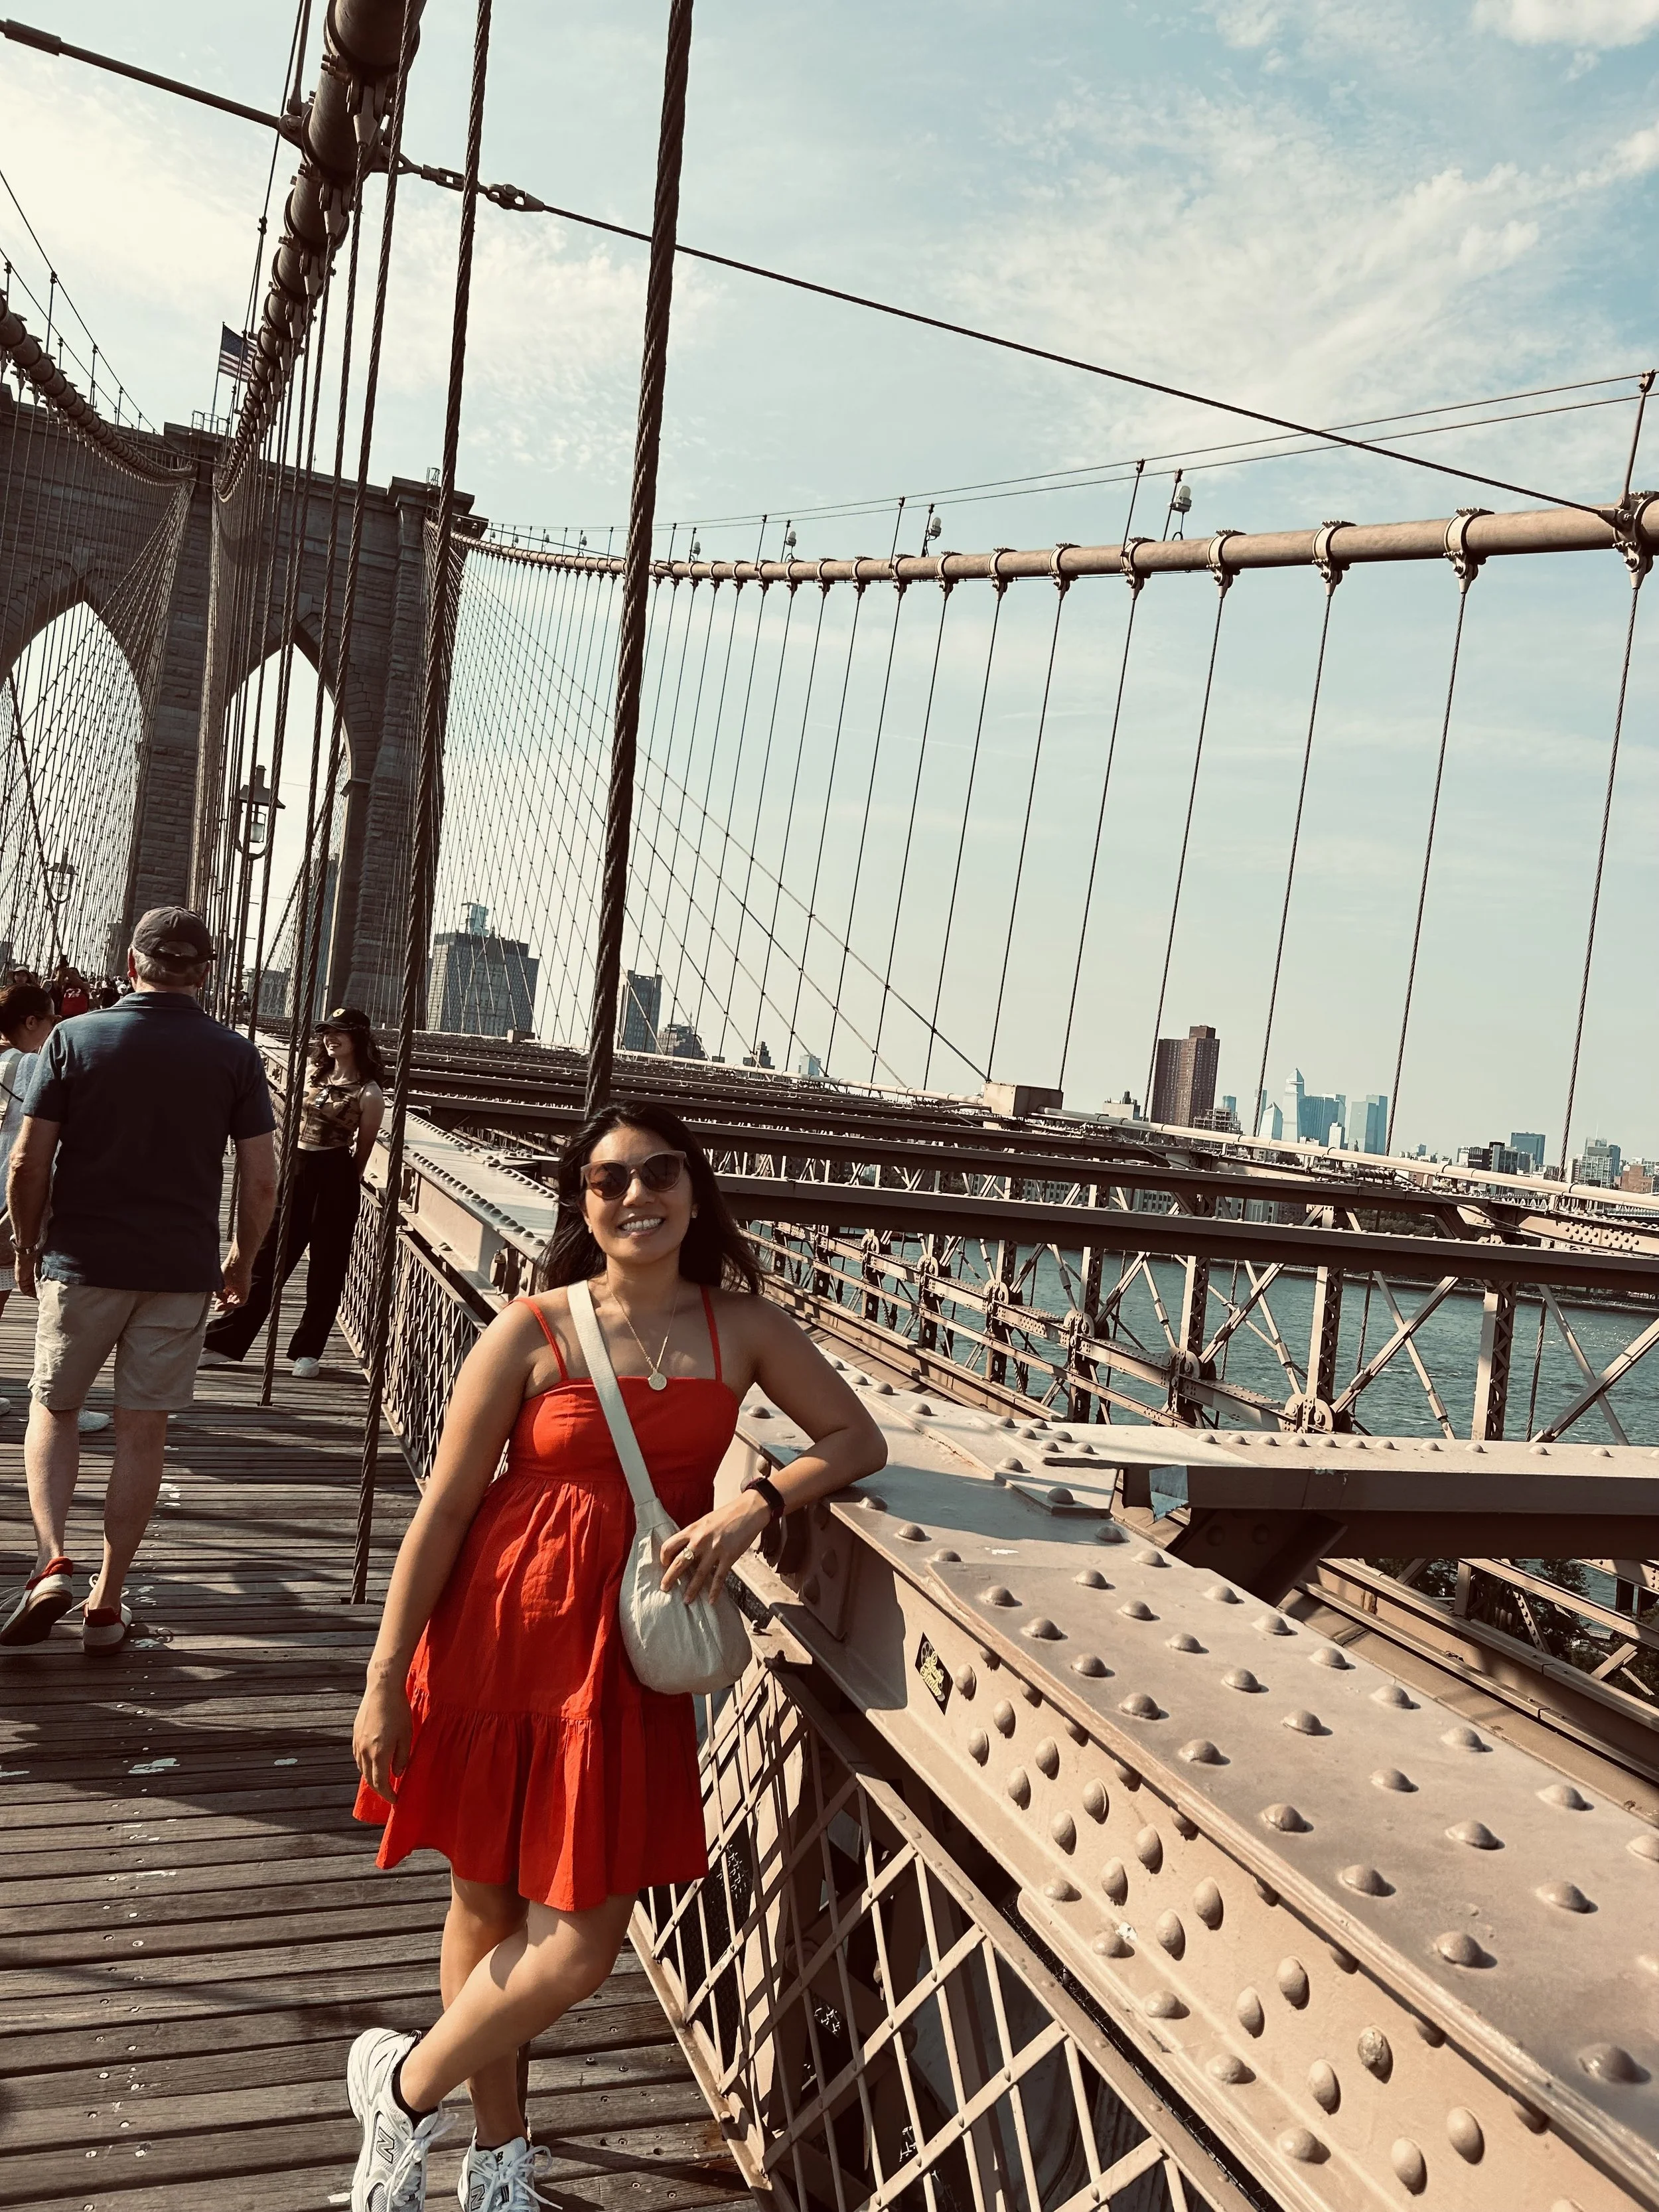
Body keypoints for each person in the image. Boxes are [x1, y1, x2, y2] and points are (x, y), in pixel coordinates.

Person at [345, 1102, 886, 2212]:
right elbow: (446, 1508)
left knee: (580, 1939)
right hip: (497, 1636)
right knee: (488, 1906)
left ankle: (397, 2084)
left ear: (695, 1189)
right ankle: (495, 2164)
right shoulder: (532, 1327)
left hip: (623, 1657)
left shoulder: (745, 1327)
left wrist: (756, 1502)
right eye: (607, 1180)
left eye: (657, 1173)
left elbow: (856, 1438)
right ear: (582, 1203)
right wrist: (385, 1675)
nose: (635, 1196)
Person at [0, 907, 277, 1653]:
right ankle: (106, 1602)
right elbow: (260, 1182)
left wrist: (27, 1246)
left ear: (131, 963)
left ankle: (50, 1560)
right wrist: (241, 1261)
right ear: (205, 972)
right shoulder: (234, 1056)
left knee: (54, 1409)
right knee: (141, 1432)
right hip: (178, 1273)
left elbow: (28, 1162)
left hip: (81, 1263)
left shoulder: (73, 1038)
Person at [200, 1006, 386, 1378]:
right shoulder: (312, 1075)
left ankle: (308, 1352)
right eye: (327, 1032)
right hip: (296, 1169)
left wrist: (343, 1186)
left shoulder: (369, 1093)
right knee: (268, 1256)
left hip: (335, 1175)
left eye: (340, 1033)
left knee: (326, 1267)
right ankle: (223, 1343)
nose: (330, 1039)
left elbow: (362, 1151)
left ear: (358, 1040)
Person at [0, 982, 57, 1420]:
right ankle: (61, 1406)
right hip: (6, 1202)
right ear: (31, 1021)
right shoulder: (32, 1066)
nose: (55, 1026)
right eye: (51, 1018)